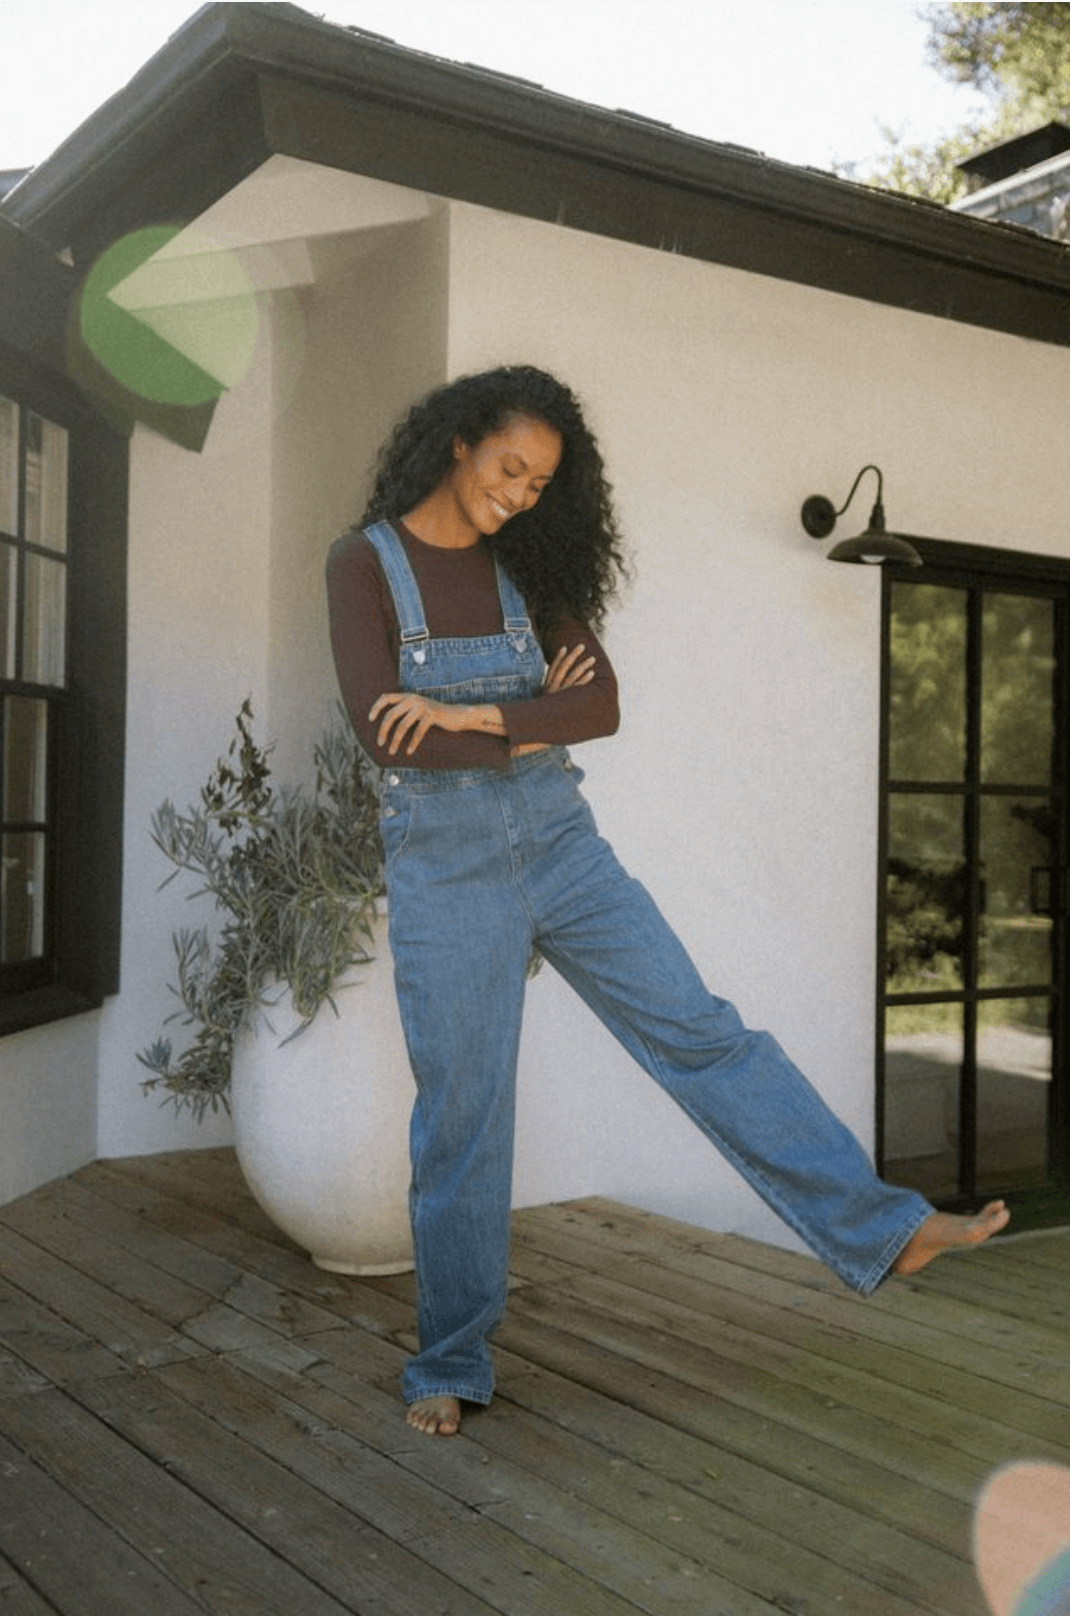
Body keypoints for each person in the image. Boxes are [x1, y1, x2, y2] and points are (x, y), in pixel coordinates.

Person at [326, 364, 1010, 1439]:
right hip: (444, 865)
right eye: (510, 467)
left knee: (700, 1031)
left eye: (540, 483)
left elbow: (599, 705)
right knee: (463, 1112)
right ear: (459, 442)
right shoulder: (363, 563)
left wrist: (471, 717)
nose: (520, 494)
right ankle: (448, 1359)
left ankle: (882, 1228)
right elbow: (384, 730)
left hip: (561, 844)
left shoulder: (528, 570)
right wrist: (527, 714)